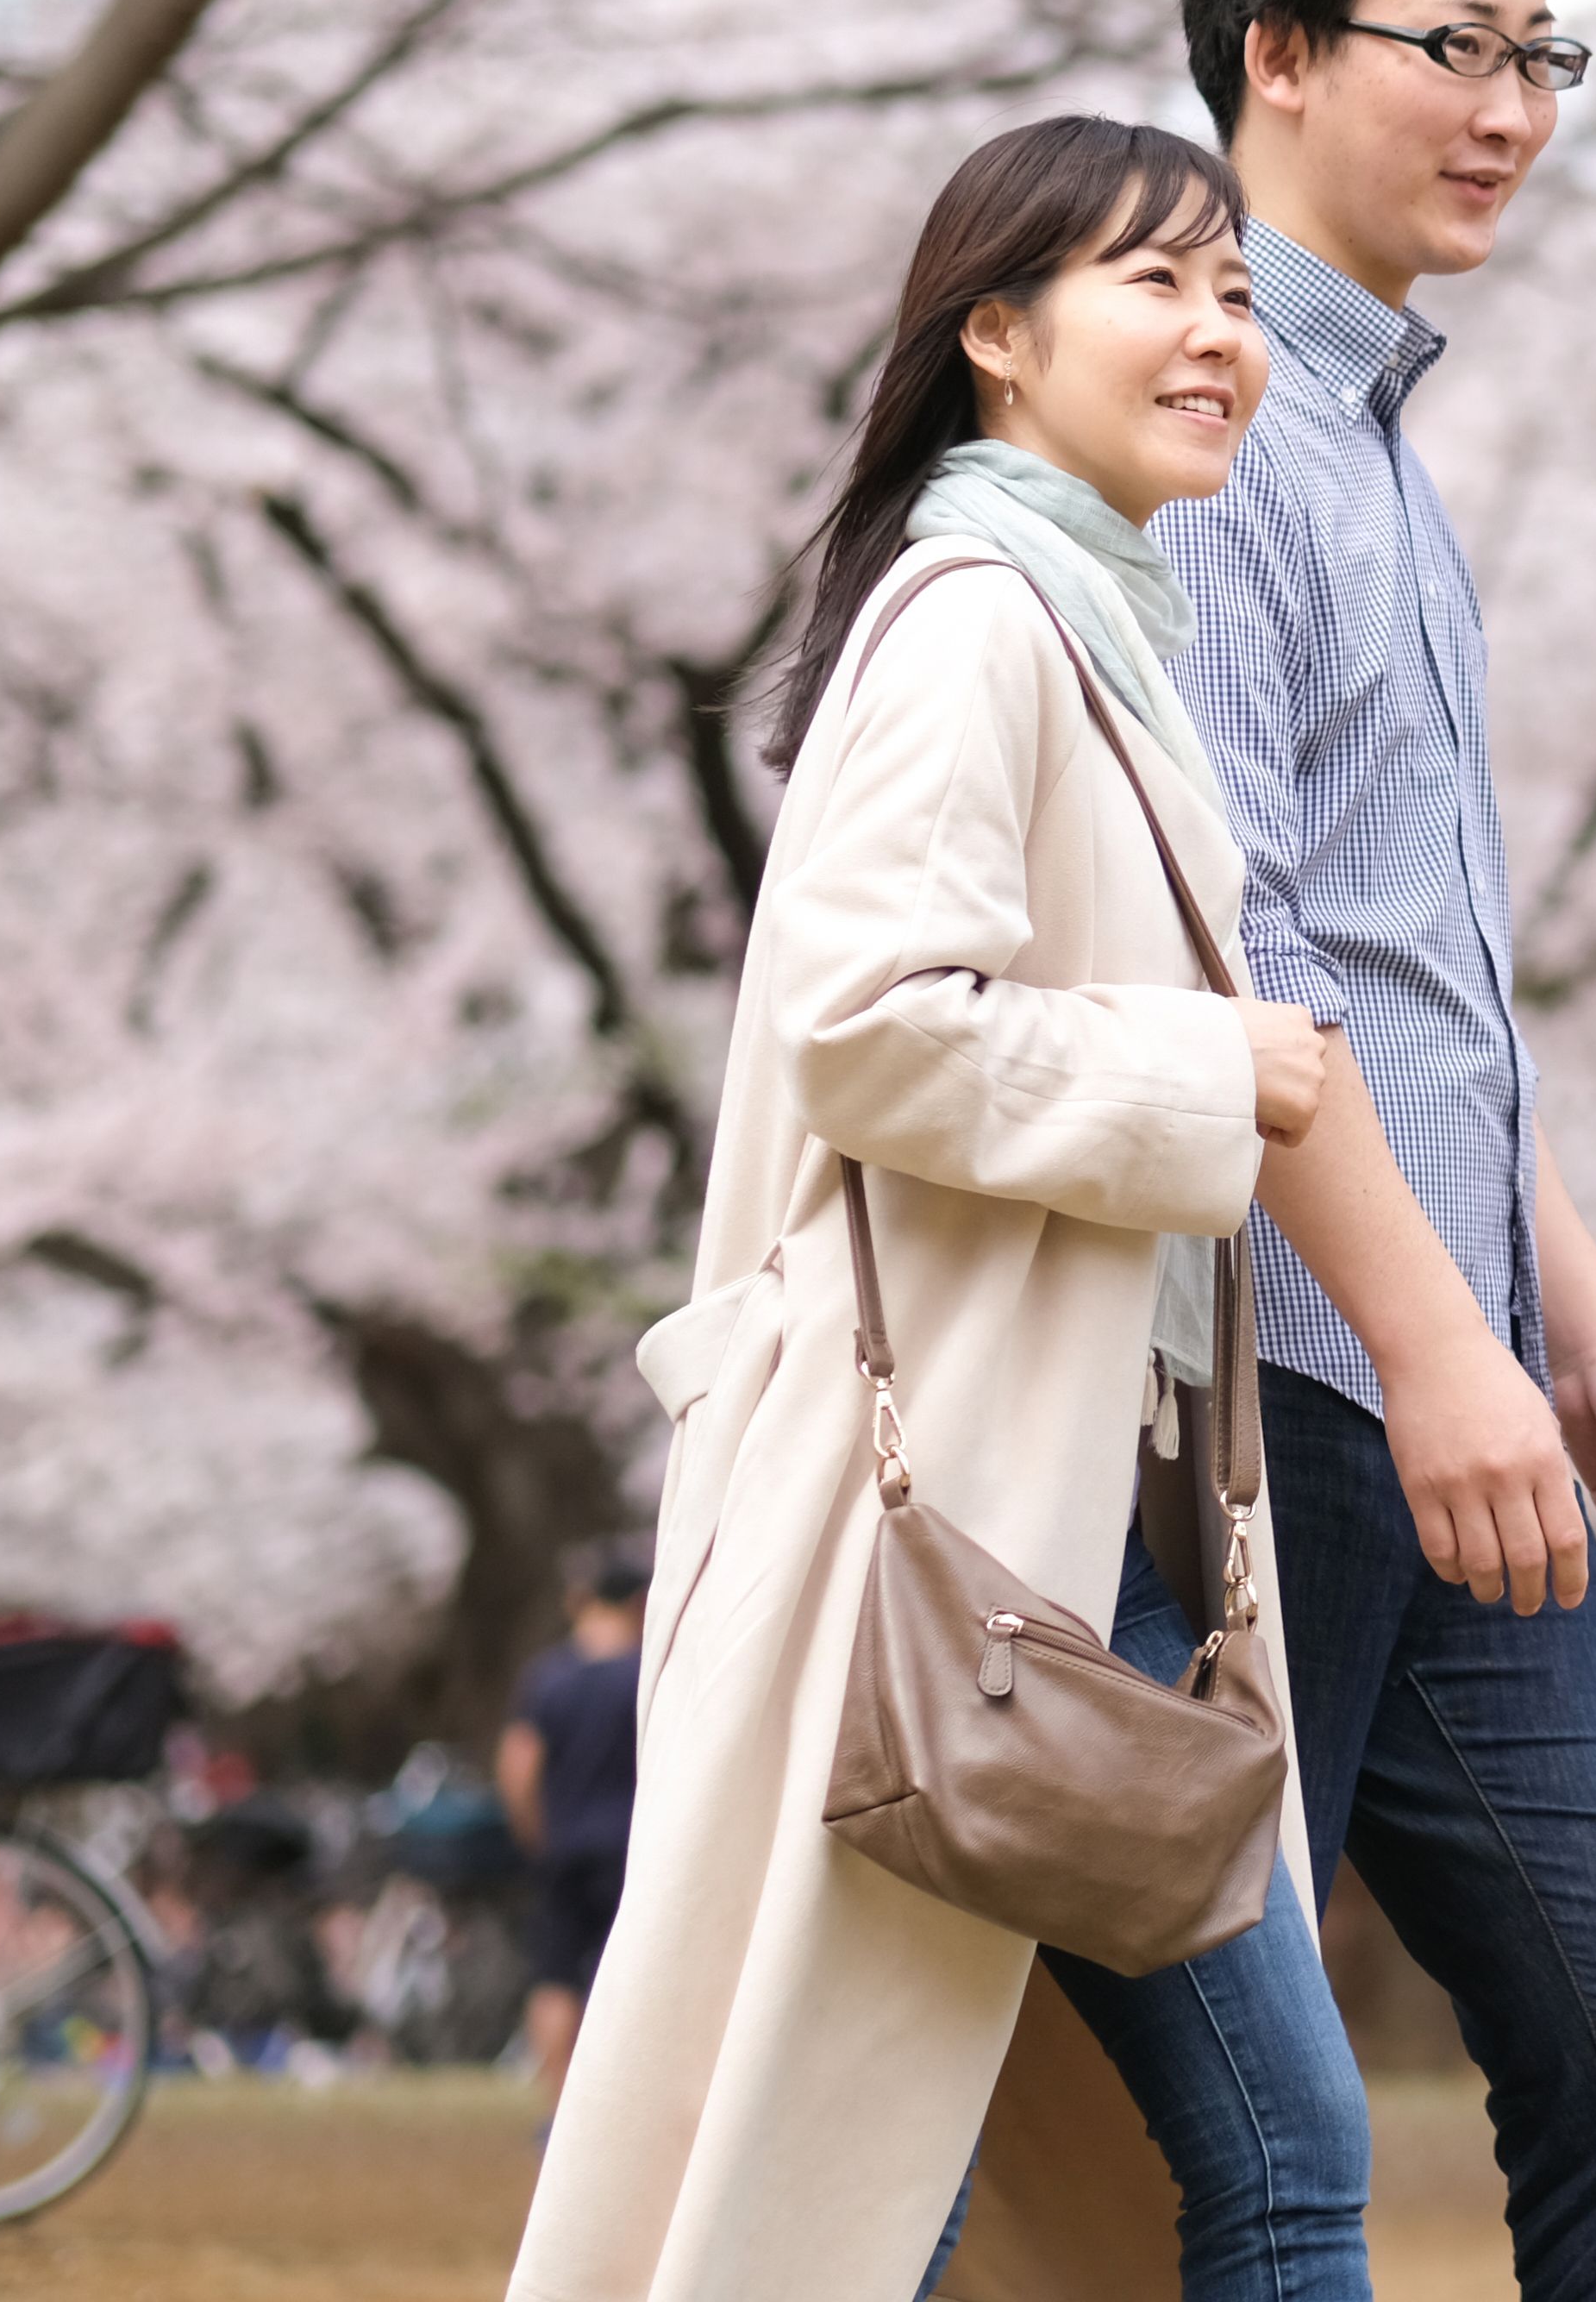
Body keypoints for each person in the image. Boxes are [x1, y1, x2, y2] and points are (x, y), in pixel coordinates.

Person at [509, 116, 1345, 2302]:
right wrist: (1210, 1075)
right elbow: (870, 1027)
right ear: (994, 332)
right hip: (974, 1531)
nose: (1216, 334)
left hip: (1052, 1531)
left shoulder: (1072, 620)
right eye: (1154, 282)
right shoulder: (982, 618)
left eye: (1236, 291)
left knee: (907, 2162)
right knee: (1181, 2159)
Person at [1157, 0, 1596, 2300]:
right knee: (1227, 2143)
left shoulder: (1389, 451)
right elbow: (1252, 976)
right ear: (1281, 53)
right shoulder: (1202, 436)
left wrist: (1577, 1340)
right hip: (1287, 1396)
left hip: (1458, 1391)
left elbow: (1430, 979)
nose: (1513, 108)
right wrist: (1437, 1354)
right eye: (1460, 44)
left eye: (1548, 54)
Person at [497, 1549, 647, 2098]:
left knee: (555, 1977)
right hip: (633, 1850)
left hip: (565, 1847)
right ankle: (622, 2102)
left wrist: (538, 1836)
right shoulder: (647, 1674)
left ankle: (556, 2109)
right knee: (632, 1975)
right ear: (639, 1601)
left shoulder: (549, 1676)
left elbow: (518, 1766)